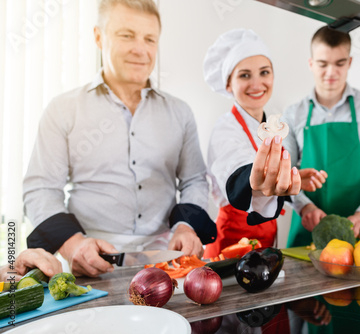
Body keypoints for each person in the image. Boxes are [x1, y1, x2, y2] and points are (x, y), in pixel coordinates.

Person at [22, 0, 216, 277]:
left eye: (149, 39)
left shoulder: (180, 112)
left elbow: (194, 180)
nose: (140, 49)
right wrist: (73, 244)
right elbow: (40, 189)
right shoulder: (63, 109)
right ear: (99, 37)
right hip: (90, 261)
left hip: (166, 263)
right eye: (127, 35)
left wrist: (186, 226)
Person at [202, 29, 324, 258]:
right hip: (231, 243)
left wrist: (292, 179)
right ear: (228, 84)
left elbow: (271, 181)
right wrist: (260, 178)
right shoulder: (225, 129)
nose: (257, 83)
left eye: (264, 72)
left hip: (266, 241)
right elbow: (237, 169)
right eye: (245, 75)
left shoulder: (273, 125)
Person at [283, 26, 360, 247]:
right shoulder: (292, 113)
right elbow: (286, 176)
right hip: (308, 231)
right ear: (311, 64)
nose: (330, 72)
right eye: (323, 64)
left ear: (350, 62)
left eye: (340, 63)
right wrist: (304, 207)